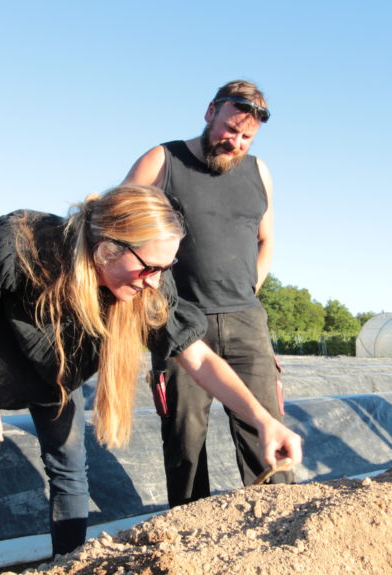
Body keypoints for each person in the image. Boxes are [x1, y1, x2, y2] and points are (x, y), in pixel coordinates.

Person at [0, 184, 302, 562]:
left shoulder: (148, 287)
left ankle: (69, 564)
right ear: (107, 248)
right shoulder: (20, 245)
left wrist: (264, 421)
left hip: (54, 375)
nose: (155, 281)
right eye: (149, 267)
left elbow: (198, 358)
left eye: (166, 268)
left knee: (69, 470)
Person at [122, 80, 290, 508]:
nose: (234, 142)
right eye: (229, 129)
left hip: (246, 322)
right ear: (209, 112)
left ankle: (279, 525)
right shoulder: (163, 160)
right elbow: (118, 220)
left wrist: (248, 288)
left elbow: (266, 240)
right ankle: (189, 543)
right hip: (180, 321)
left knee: (264, 430)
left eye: (245, 137)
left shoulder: (259, 172)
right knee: (185, 442)